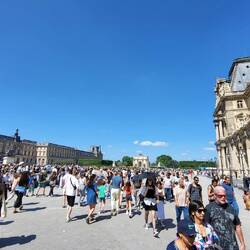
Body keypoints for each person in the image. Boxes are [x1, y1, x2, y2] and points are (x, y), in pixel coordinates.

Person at [205, 186, 246, 250]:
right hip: (216, 247)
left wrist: (242, 243)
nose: (223, 197)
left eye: (224, 195)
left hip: (233, 246)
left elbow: (237, 226)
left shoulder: (230, 208)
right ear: (215, 195)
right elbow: (204, 227)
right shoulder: (208, 208)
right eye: (220, 196)